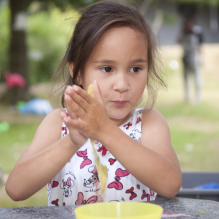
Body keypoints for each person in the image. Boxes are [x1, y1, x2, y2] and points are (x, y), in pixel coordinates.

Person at [6, 1, 182, 206]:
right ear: (77, 72)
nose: (122, 85)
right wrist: (71, 142)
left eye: (135, 69)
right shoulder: (59, 124)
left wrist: (104, 130)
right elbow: (15, 189)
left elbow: (170, 185)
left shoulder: (149, 123)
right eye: (107, 69)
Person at [178, 17, 204, 104]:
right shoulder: (184, 33)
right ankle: (187, 96)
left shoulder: (196, 32)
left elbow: (200, 45)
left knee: (196, 77)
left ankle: (198, 96)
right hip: (186, 57)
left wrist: (202, 58)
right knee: (185, 77)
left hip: (194, 57)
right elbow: (179, 40)